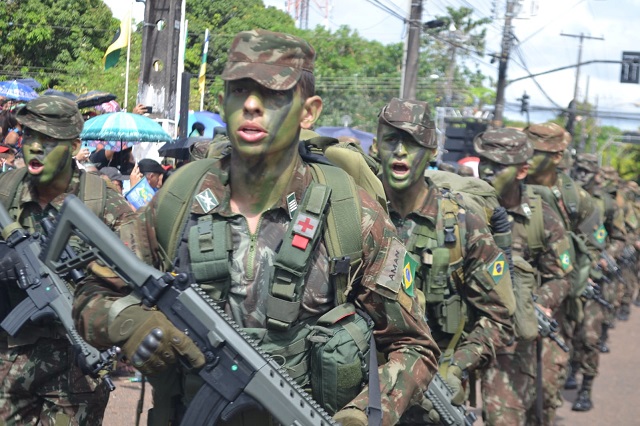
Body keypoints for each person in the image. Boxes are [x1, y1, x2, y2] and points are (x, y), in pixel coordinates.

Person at [72, 30, 440, 426]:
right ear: (221, 102)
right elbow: (89, 296)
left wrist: (363, 415)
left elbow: (413, 345)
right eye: (239, 91)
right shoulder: (179, 200)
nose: (251, 105)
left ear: (308, 111)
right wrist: (125, 321)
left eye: (273, 95)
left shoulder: (350, 214)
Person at [375, 98, 516, 424]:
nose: (399, 151)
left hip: (431, 394)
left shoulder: (463, 224)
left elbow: (499, 317)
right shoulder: (357, 211)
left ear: (433, 149)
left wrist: (457, 368)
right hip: (362, 388)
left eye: (412, 142)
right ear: (375, 145)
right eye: (390, 140)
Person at [0, 95, 134, 425]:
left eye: (48, 140)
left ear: (74, 147)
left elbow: (138, 279)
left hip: (76, 373)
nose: (34, 147)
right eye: (29, 136)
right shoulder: (6, 192)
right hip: (8, 370)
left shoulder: (102, 202)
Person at [475, 128, 573, 426]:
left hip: (511, 338)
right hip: (459, 332)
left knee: (504, 417)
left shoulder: (541, 216)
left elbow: (561, 276)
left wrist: (540, 304)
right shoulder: (459, 205)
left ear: (522, 171)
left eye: (499, 165)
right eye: (484, 162)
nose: (489, 171)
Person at [523, 123, 606, 414]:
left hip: (560, 298)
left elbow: (595, 242)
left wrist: (575, 281)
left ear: (557, 156)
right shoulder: (510, 188)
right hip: (517, 295)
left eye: (537, 153)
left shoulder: (576, 199)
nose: (528, 158)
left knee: (548, 382)